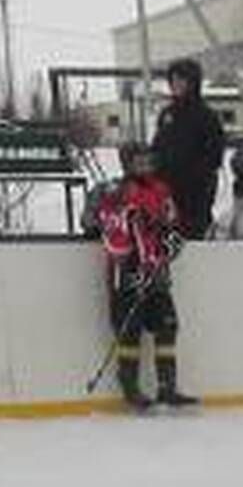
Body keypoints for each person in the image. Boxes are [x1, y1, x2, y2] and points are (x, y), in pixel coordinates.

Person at [85, 141, 188, 410]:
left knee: (167, 325)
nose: (146, 165)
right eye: (139, 161)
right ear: (126, 163)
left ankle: (168, 387)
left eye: (148, 160)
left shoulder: (162, 190)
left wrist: (168, 247)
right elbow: (91, 223)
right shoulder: (113, 191)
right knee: (128, 332)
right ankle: (129, 385)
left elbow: (174, 226)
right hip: (125, 274)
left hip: (156, 273)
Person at [150, 57, 225, 240]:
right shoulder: (167, 114)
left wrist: (196, 177)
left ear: (193, 82)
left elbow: (214, 155)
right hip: (166, 192)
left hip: (195, 194)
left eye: (181, 80)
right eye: (172, 80)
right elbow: (157, 147)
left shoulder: (207, 116)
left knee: (193, 238)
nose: (176, 85)